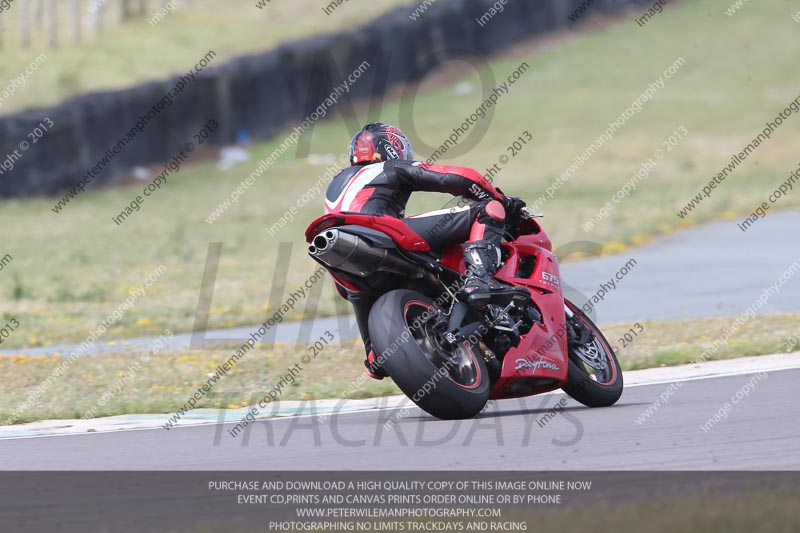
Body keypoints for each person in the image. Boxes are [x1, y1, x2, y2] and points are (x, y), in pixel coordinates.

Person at [324, 122, 527, 379]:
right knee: (489, 211)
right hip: (382, 233)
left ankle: (376, 354)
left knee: (374, 348)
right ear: (393, 148)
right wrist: (501, 200)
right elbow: (460, 178)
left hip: (343, 258)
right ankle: (478, 281)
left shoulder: (335, 183)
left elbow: (344, 290)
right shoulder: (390, 166)